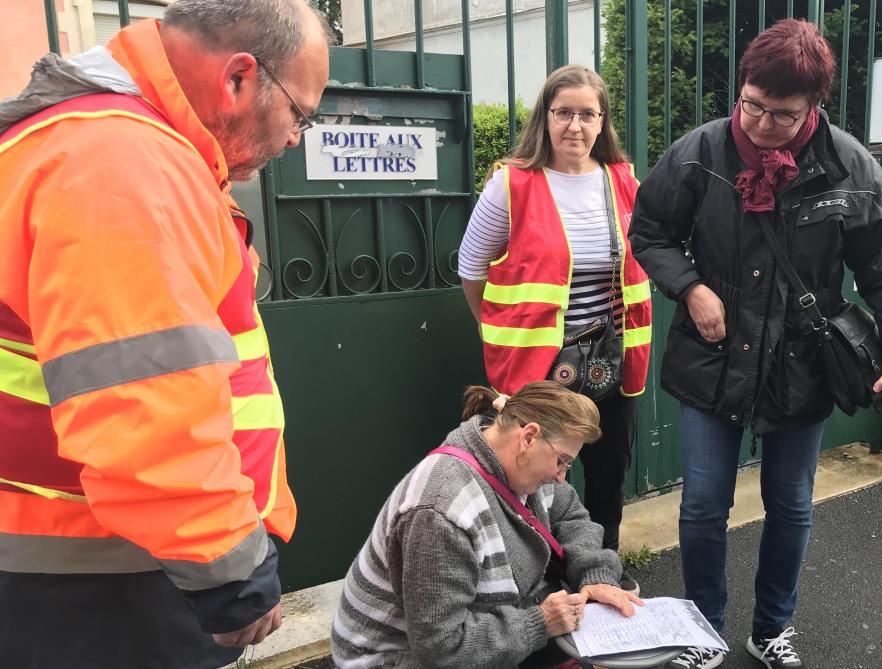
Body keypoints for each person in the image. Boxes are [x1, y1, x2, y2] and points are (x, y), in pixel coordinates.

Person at [0, 1, 331, 666]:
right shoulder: (121, 162)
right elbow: (144, 400)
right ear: (238, 77)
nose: (297, 138)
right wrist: (230, 574)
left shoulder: (112, 143)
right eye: (301, 113)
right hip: (100, 583)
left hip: (98, 563)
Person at [630, 19, 882, 669]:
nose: (760, 123)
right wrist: (691, 287)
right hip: (713, 356)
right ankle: (702, 627)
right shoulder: (697, 154)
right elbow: (648, 230)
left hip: (802, 360)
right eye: (751, 104)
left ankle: (771, 628)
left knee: (789, 505)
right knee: (704, 503)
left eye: (781, 114)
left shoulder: (849, 164)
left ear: (813, 106)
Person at [458, 64, 653, 584]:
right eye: (563, 112)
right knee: (533, 476)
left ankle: (601, 570)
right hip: (541, 365)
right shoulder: (513, 183)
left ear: (602, 121)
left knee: (608, 475)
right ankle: (536, 575)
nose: (575, 125)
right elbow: (471, 265)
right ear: (545, 117)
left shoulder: (623, 181)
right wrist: (497, 327)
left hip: (610, 362)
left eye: (587, 114)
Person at [331, 382, 643, 669]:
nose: (561, 475)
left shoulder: (518, 461)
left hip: (487, 620)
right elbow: (442, 649)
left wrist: (595, 575)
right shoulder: (440, 512)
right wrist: (542, 621)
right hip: (394, 658)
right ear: (529, 436)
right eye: (561, 460)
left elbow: (570, 515)